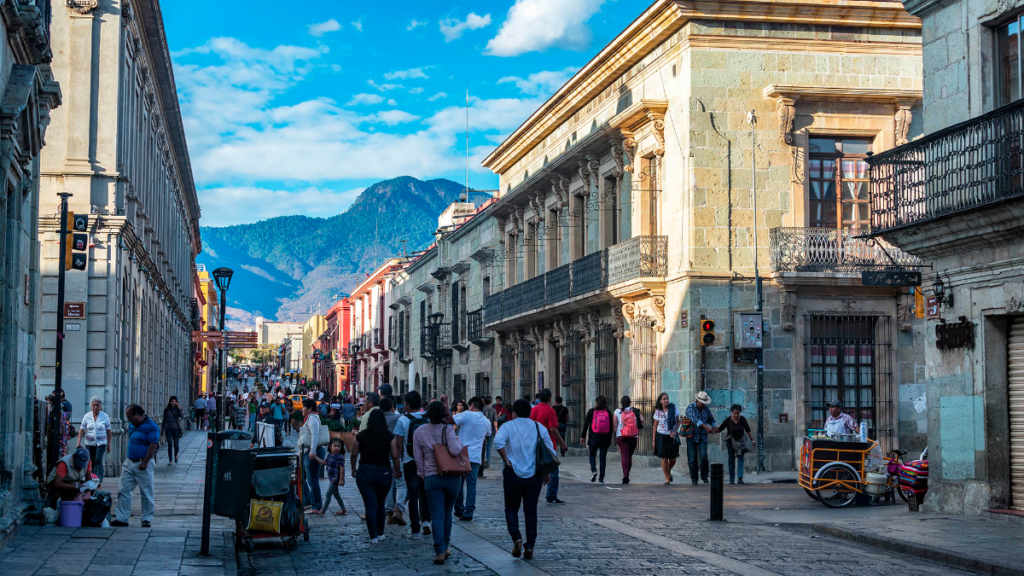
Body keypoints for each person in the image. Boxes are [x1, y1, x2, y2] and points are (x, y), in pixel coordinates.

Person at [494, 399, 553, 560]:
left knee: (511, 508)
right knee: (531, 510)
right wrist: (545, 472)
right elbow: (549, 449)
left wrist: (506, 459)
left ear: (514, 413)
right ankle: (530, 546)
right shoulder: (538, 427)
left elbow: (498, 442)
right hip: (534, 475)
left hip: (513, 473)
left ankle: (516, 538)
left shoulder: (508, 426)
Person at [413, 401, 464, 565]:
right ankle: (446, 546)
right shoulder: (447, 429)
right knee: (447, 513)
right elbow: (456, 450)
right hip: (451, 476)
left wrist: (423, 473)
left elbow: (417, 457)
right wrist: (458, 441)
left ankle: (439, 551)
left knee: (436, 515)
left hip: (431, 477)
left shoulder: (419, 431)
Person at [351, 409, 401, 542]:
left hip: (365, 470)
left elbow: (354, 453)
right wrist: (397, 469)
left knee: (369, 504)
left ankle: (373, 536)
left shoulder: (361, 436)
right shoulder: (389, 436)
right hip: (383, 471)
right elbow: (395, 455)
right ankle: (380, 533)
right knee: (380, 503)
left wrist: (353, 468)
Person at [111, 404, 160, 527]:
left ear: (138, 415)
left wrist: (145, 462)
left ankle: (147, 518)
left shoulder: (152, 426)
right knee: (123, 490)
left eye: (130, 417)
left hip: (144, 463)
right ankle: (122, 518)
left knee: (146, 492)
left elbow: (153, 445)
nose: (128, 420)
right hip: (130, 462)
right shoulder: (133, 424)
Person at [393, 391, 431, 539]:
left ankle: (415, 529)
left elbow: (398, 444)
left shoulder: (402, 420)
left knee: (413, 495)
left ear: (407, 404)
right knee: (425, 492)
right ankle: (426, 521)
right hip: (427, 461)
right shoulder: (427, 418)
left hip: (410, 461)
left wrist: (397, 466)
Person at [453, 397, 490, 521]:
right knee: (471, 484)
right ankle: (469, 511)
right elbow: (488, 433)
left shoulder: (467, 415)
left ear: (472, 406)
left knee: (459, 483)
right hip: (475, 456)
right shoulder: (486, 421)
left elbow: (451, 420)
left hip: (462, 454)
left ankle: (458, 508)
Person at [530, 389, 567, 504]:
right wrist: (562, 443)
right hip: (548, 445)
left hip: (534, 444)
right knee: (553, 471)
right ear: (550, 399)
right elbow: (553, 428)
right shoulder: (550, 411)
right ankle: (551, 495)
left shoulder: (533, 410)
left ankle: (531, 493)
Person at [379, 397, 407, 527]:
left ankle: (389, 513)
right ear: (392, 408)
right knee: (401, 484)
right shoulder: (399, 419)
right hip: (398, 455)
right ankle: (398, 509)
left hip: (382, 456)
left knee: (388, 485)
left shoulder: (376, 420)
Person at [297, 398, 326, 512]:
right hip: (306, 452)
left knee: (312, 479)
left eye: (304, 407)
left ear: (309, 409)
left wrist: (312, 451)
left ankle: (316, 505)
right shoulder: (309, 418)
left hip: (313, 451)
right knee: (302, 478)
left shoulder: (313, 418)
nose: (302, 409)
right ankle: (308, 501)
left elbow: (315, 436)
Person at [684, 391, 717, 485]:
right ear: (698, 401)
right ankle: (694, 478)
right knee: (692, 458)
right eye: (703, 403)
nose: (703, 405)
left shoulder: (706, 409)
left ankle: (704, 476)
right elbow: (696, 420)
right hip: (692, 435)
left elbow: (711, 419)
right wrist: (707, 428)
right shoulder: (690, 408)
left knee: (704, 456)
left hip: (702, 436)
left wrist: (715, 426)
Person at [717, 404, 755, 484]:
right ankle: (731, 479)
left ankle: (740, 478)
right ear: (732, 412)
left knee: (740, 460)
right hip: (730, 443)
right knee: (731, 461)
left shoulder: (743, 419)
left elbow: (748, 430)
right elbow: (720, 428)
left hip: (740, 443)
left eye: (738, 413)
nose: (736, 415)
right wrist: (712, 430)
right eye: (735, 413)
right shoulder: (728, 420)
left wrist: (753, 440)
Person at [76, 397, 111, 484]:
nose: (95, 407)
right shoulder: (87, 416)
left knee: (98, 459)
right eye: (94, 405)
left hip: (101, 443)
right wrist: (78, 442)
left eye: (97, 405)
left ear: (100, 407)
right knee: (90, 460)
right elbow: (81, 430)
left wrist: (109, 444)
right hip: (89, 442)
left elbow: (109, 431)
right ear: (91, 406)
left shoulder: (104, 416)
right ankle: (91, 477)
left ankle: (98, 479)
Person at [580, 395, 614, 484]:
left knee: (592, 455)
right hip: (605, 438)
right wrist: (610, 439)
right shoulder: (608, 413)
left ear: (596, 402)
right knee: (602, 458)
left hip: (594, 437)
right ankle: (601, 479)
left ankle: (594, 470)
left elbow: (586, 425)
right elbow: (611, 428)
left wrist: (582, 436)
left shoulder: (591, 411)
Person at [613, 396, 643, 484]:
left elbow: (614, 425)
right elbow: (642, 419)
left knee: (624, 456)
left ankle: (625, 475)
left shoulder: (617, 411)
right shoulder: (635, 410)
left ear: (621, 402)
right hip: (633, 436)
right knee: (629, 456)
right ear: (630, 402)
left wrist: (616, 435)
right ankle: (627, 474)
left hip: (621, 435)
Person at [314, 438, 348, 516]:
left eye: (339, 446)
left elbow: (342, 469)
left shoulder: (340, 457)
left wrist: (341, 480)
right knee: (336, 495)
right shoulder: (330, 455)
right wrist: (315, 457)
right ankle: (343, 509)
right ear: (330, 447)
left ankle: (323, 511)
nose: (337, 448)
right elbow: (324, 462)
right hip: (331, 477)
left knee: (328, 494)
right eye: (335, 446)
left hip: (335, 479)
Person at [652, 392, 680, 485]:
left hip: (671, 436)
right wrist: (653, 441)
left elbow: (678, 422)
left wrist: (674, 431)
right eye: (664, 399)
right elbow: (655, 426)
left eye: (667, 398)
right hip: (661, 436)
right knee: (664, 458)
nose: (666, 400)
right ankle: (667, 478)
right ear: (660, 401)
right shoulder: (658, 412)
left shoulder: (673, 408)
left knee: (673, 459)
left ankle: (668, 471)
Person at [161, 397, 184, 465]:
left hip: (176, 429)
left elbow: (182, 416)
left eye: (174, 401)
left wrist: (179, 408)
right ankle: (170, 460)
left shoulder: (178, 410)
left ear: (176, 402)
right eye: (172, 401)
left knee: (176, 445)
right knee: (170, 444)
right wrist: (162, 431)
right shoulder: (167, 410)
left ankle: (175, 455)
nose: (173, 402)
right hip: (168, 429)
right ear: (170, 402)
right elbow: (164, 421)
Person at [480, 396, 498, 477]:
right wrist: (496, 430)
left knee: (482, 446)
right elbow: (495, 421)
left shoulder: (482, 410)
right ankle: (488, 463)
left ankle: (482, 460)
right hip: (491, 431)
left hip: (482, 430)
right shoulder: (493, 410)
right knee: (489, 447)